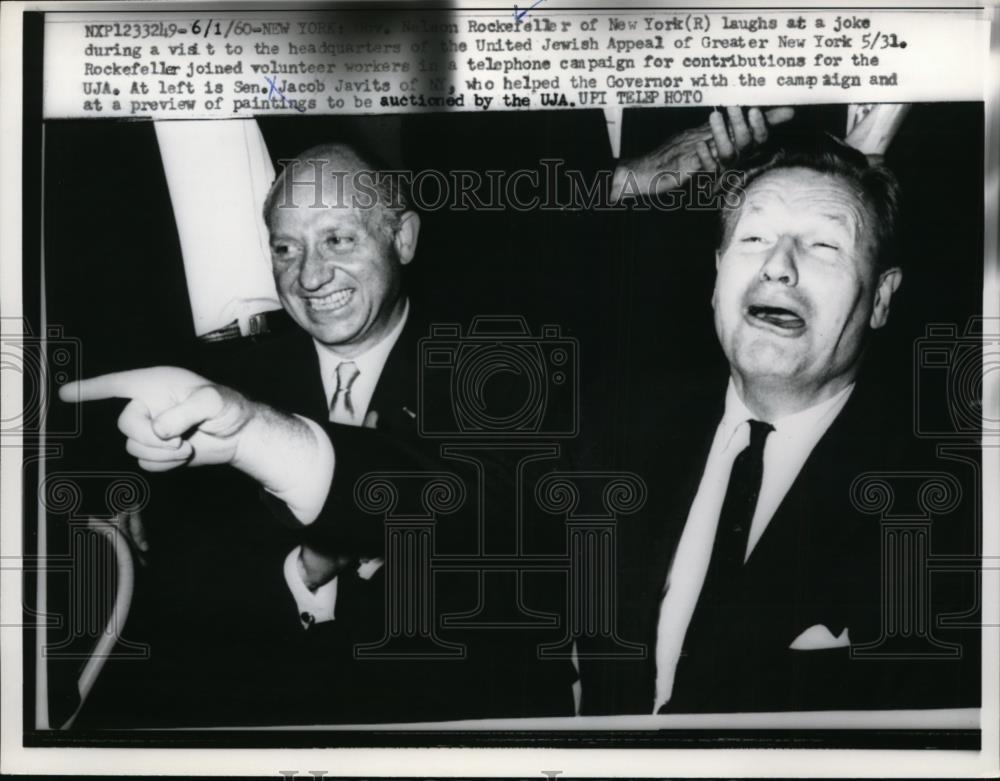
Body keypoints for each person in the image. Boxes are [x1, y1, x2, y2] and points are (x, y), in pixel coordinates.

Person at [577, 131, 979, 715]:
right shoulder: (610, 437)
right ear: (717, 276)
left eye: (823, 246)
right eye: (755, 237)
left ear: (883, 298)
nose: (778, 267)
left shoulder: (947, 513)